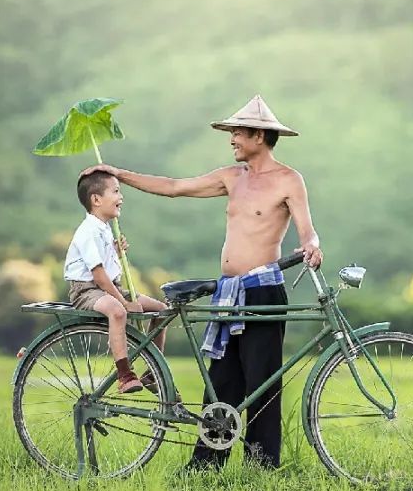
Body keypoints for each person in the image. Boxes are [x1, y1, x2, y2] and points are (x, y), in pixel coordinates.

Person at [82, 94, 323, 469]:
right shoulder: (231, 177)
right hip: (227, 292)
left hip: (262, 291)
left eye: (238, 133)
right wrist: (118, 174)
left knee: (261, 380)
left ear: (259, 137)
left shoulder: (289, 180)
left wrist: (311, 245)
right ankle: (206, 465)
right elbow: (175, 186)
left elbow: (307, 231)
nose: (231, 139)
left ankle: (261, 465)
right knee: (222, 380)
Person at [64, 170, 168, 393]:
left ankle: (151, 372)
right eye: (116, 191)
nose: (121, 197)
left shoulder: (104, 227)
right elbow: (99, 275)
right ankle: (125, 374)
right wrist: (123, 301)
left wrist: (115, 252)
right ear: (96, 199)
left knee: (161, 310)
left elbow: (107, 267)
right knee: (118, 311)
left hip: (110, 287)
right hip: (88, 290)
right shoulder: (88, 231)